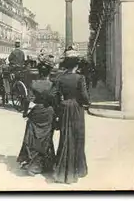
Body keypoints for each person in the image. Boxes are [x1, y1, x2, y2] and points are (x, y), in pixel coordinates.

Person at [52, 50, 90, 184]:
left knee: (65, 137)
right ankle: (78, 169)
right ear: (76, 65)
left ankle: (62, 170)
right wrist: (86, 102)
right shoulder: (80, 78)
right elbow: (85, 97)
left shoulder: (60, 78)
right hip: (77, 108)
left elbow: (55, 95)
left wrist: (59, 107)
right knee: (78, 137)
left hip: (64, 107)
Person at [17, 54, 56, 176]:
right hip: (49, 112)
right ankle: (46, 163)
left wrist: (25, 112)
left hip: (37, 111)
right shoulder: (52, 85)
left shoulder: (34, 83)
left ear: (39, 71)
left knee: (33, 136)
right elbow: (56, 100)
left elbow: (28, 100)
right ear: (49, 72)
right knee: (47, 137)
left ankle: (32, 163)